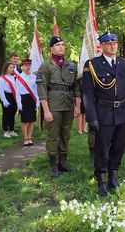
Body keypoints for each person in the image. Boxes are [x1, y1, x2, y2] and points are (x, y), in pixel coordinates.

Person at [82, 32, 125, 196]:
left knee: (119, 147)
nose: (113, 46)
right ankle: (101, 180)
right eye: (109, 43)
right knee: (102, 149)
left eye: (115, 43)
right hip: (103, 113)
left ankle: (113, 176)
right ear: (102, 46)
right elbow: (88, 94)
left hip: (122, 112)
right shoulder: (92, 64)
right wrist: (92, 117)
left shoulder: (124, 64)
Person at [37, 36, 81, 177]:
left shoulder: (71, 65)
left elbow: (76, 87)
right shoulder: (45, 66)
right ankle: (53, 164)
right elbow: (42, 90)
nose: (61, 47)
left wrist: (77, 106)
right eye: (57, 45)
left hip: (68, 104)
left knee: (65, 134)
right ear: (51, 48)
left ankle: (63, 162)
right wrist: (46, 110)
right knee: (53, 135)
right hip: (53, 105)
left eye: (62, 44)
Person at [16, 58, 39, 146]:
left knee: (32, 120)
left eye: (29, 65)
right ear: (22, 67)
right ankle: (25, 138)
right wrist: (19, 103)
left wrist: (37, 101)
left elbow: (36, 90)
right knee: (24, 120)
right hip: (23, 99)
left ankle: (30, 137)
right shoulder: (19, 78)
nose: (28, 67)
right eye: (25, 65)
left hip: (32, 99)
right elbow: (17, 92)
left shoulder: (34, 77)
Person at [0, 61, 19, 138]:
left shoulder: (14, 77)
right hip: (6, 96)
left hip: (13, 96)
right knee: (6, 114)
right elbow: (1, 91)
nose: (12, 69)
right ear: (6, 68)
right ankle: (5, 130)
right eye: (10, 67)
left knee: (12, 113)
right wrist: (4, 100)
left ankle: (11, 130)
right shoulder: (2, 78)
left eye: (13, 68)